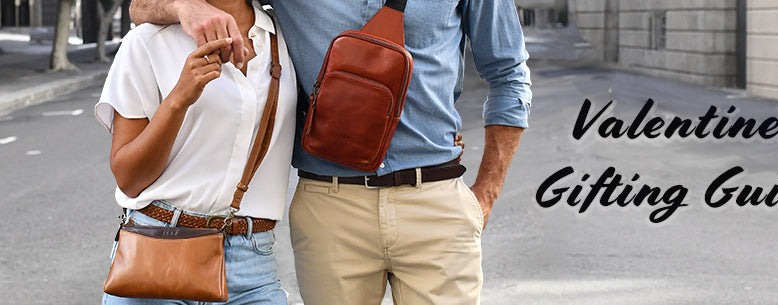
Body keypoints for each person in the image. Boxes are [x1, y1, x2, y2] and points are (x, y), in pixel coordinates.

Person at [131, 0, 532, 304]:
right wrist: (186, 5)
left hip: (435, 199)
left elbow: (509, 73)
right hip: (330, 208)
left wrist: (486, 194)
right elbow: (140, 6)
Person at [95, 0, 297, 304]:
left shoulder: (285, 40)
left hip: (252, 266)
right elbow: (129, 177)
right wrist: (179, 99)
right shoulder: (147, 42)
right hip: (156, 253)